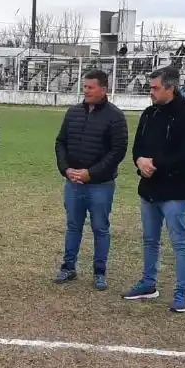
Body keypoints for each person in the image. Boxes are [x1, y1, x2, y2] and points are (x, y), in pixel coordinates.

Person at [121, 67, 185, 312]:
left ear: (170, 88)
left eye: (155, 88)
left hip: (174, 191)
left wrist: (155, 164)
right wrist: (140, 162)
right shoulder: (149, 114)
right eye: (150, 87)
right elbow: (137, 147)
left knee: (179, 242)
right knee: (149, 239)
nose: (151, 92)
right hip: (148, 188)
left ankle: (182, 292)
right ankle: (148, 283)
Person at [53, 69, 129, 291]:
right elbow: (60, 143)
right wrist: (66, 169)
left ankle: (100, 271)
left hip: (100, 185)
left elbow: (118, 151)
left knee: (100, 228)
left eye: (90, 87)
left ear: (103, 89)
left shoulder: (115, 116)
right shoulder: (73, 112)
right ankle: (68, 267)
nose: (85, 91)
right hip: (73, 182)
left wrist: (91, 173)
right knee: (73, 226)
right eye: (84, 87)